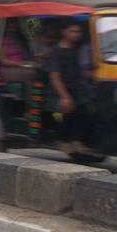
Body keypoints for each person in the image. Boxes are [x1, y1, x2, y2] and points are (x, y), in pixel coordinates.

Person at [45, 21, 92, 153]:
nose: (76, 35)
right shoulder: (57, 52)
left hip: (78, 89)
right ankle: (62, 141)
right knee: (64, 114)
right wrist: (64, 96)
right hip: (60, 91)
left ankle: (76, 141)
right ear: (64, 32)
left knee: (85, 111)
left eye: (78, 32)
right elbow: (55, 77)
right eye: (73, 31)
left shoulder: (79, 50)